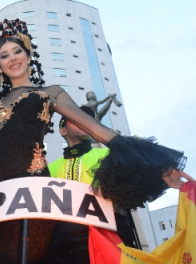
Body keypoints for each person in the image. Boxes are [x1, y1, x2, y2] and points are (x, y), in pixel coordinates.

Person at [0, 18, 191, 263]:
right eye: (4, 55)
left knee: (34, 253)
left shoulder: (51, 94)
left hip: (33, 190)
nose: (12, 58)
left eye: (17, 51)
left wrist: (159, 166)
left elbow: (98, 131)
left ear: (28, 55)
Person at [46, 106, 138, 263]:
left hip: (111, 233)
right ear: (63, 130)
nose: (83, 122)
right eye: (75, 119)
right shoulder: (49, 169)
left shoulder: (108, 154)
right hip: (66, 243)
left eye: (86, 120)